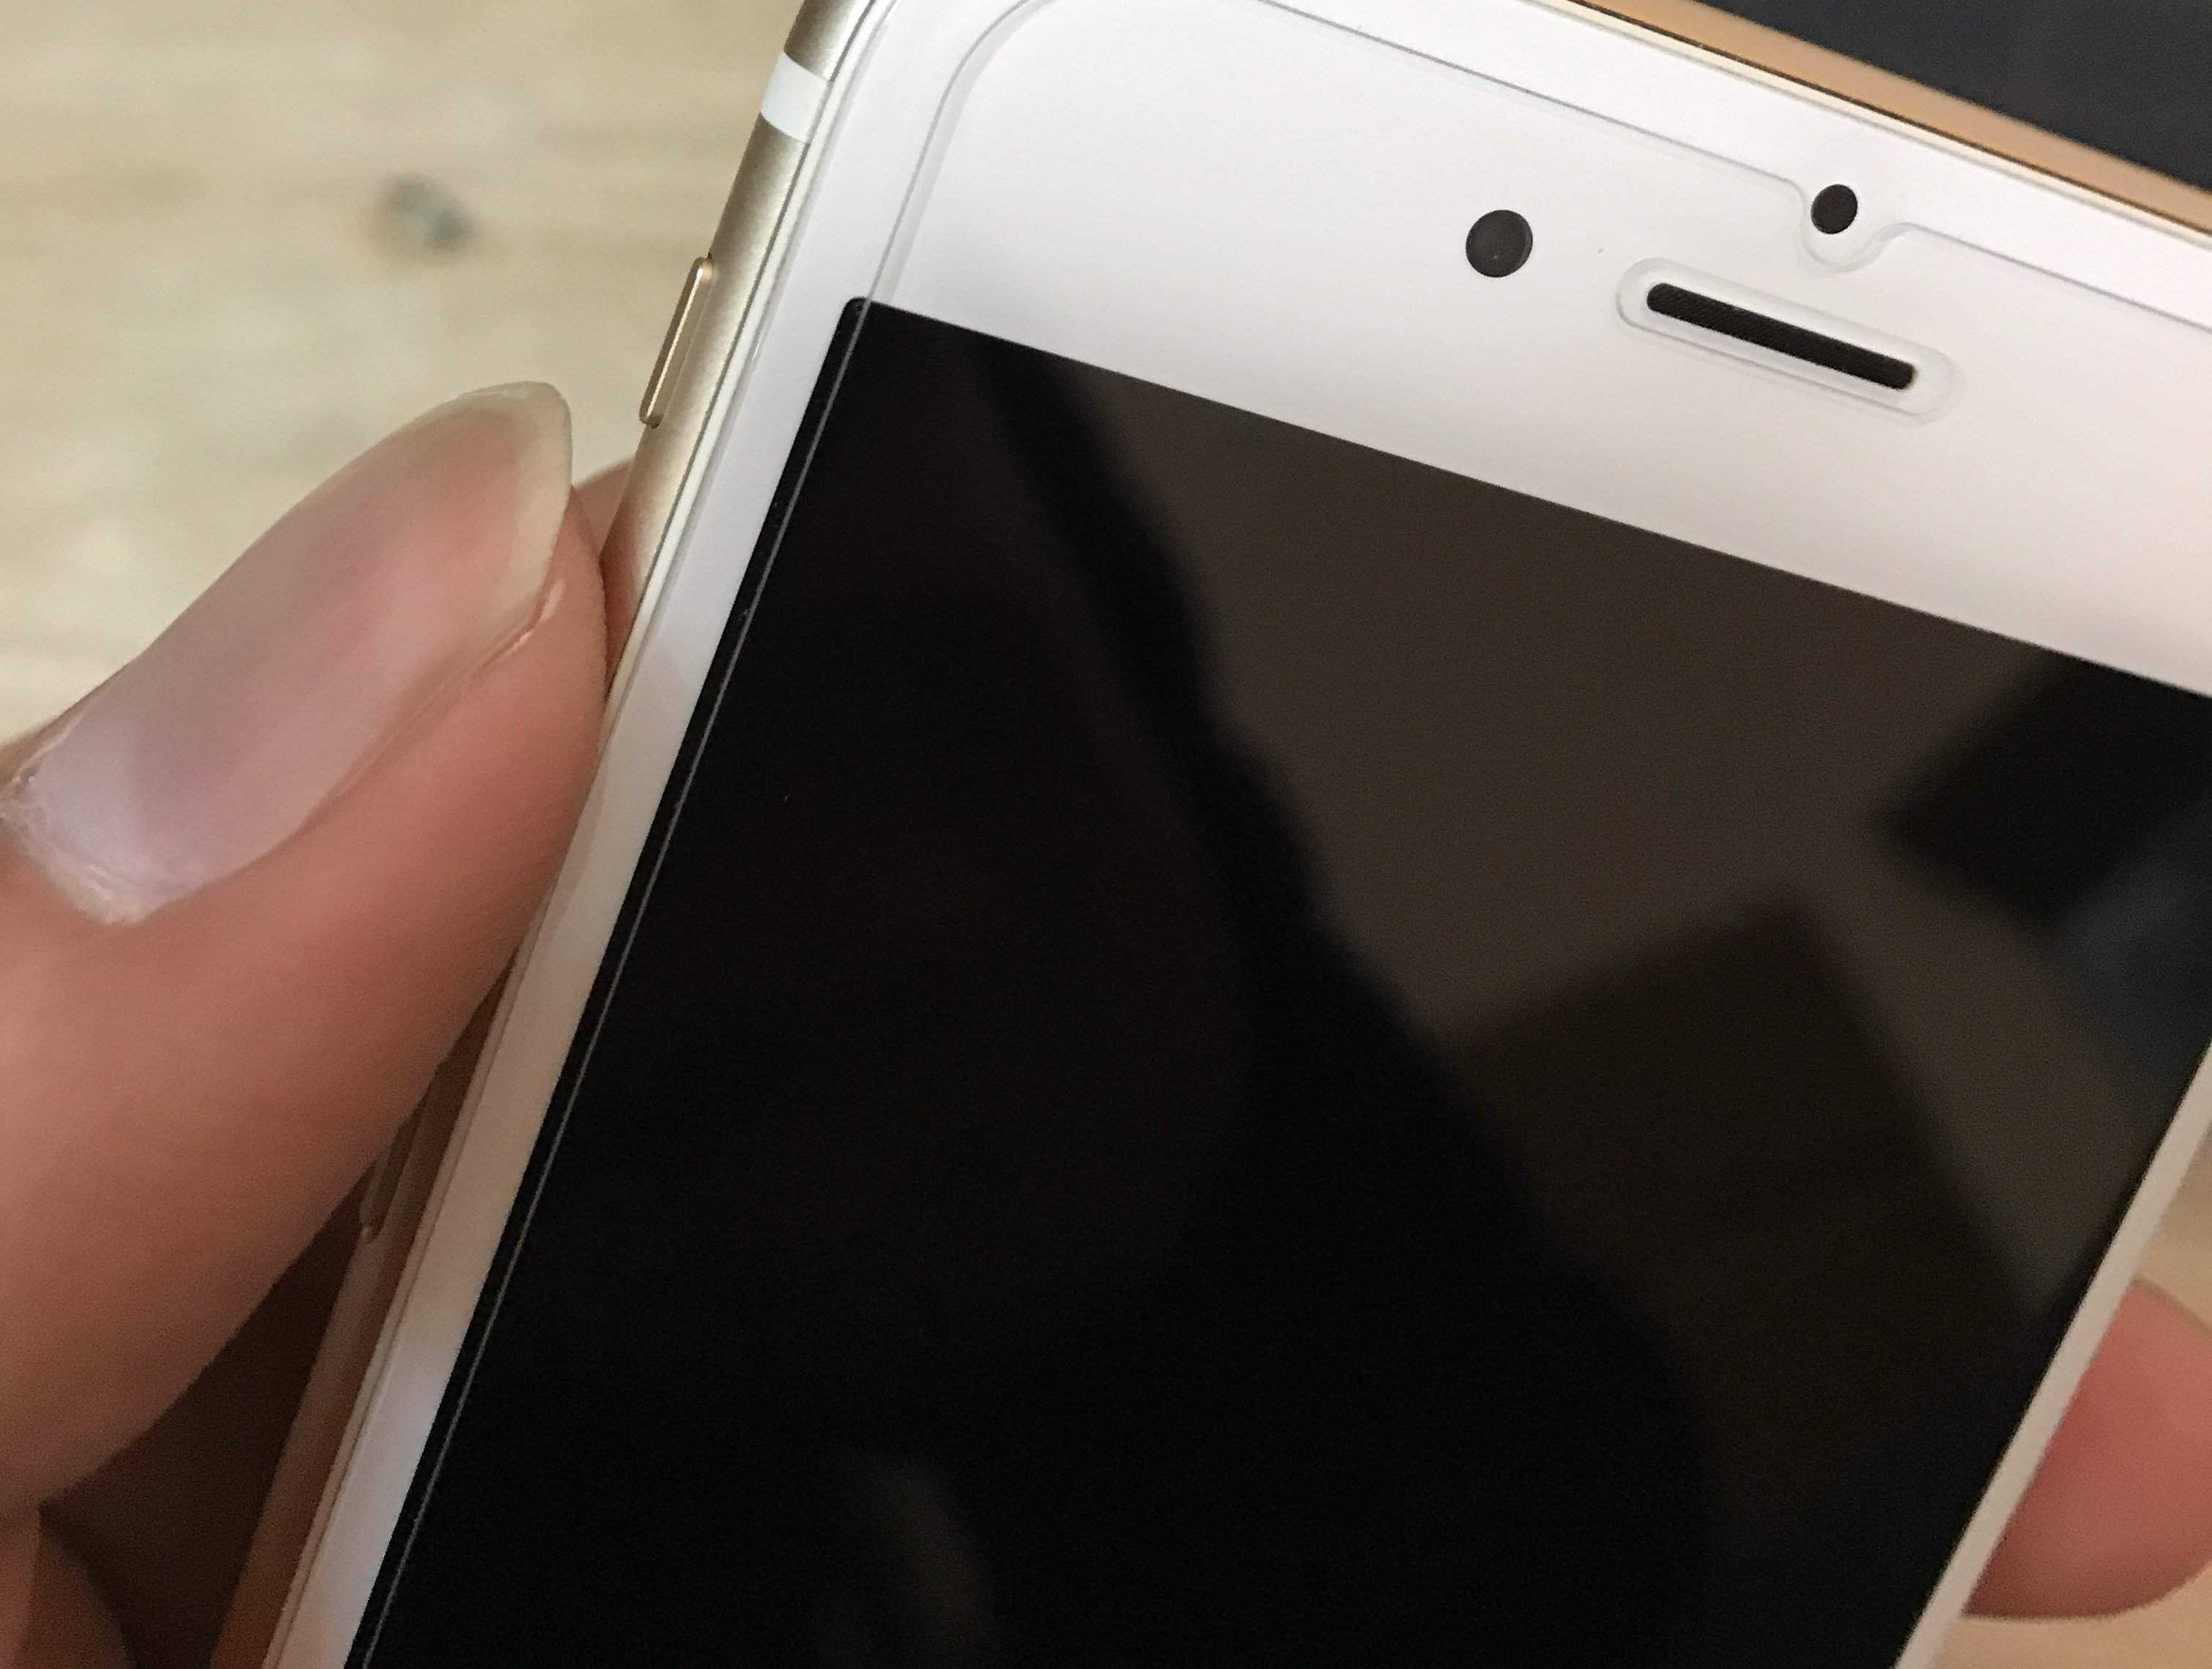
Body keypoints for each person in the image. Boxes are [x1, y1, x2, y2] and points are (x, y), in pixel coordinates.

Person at [3, 385, 2211, 1667]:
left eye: (929, 735)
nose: (856, 937)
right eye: (720, 783)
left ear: (1186, 785)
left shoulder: (1645, 1511)